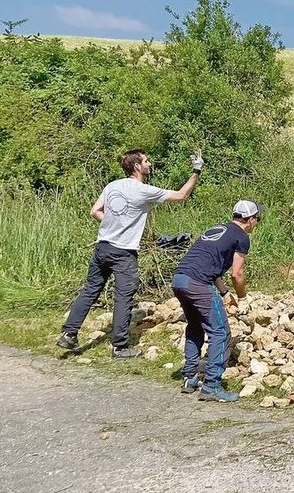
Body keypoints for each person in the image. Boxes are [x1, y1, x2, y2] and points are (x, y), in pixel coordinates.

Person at [57, 149, 203, 358]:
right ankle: (120, 347)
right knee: (123, 298)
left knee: (90, 290)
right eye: (146, 161)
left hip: (102, 247)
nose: (149, 164)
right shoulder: (142, 190)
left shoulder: (113, 186)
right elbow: (181, 195)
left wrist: (114, 223)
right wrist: (196, 171)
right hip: (123, 252)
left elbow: (95, 211)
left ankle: (68, 334)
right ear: (137, 166)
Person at [172, 200, 264, 402]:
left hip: (180, 279)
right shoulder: (242, 237)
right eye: (258, 218)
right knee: (221, 332)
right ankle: (212, 385)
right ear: (249, 220)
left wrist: (224, 293)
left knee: (195, 326)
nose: (257, 222)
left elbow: (208, 264)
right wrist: (243, 297)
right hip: (198, 284)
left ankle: (190, 377)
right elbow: (237, 274)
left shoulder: (217, 229)